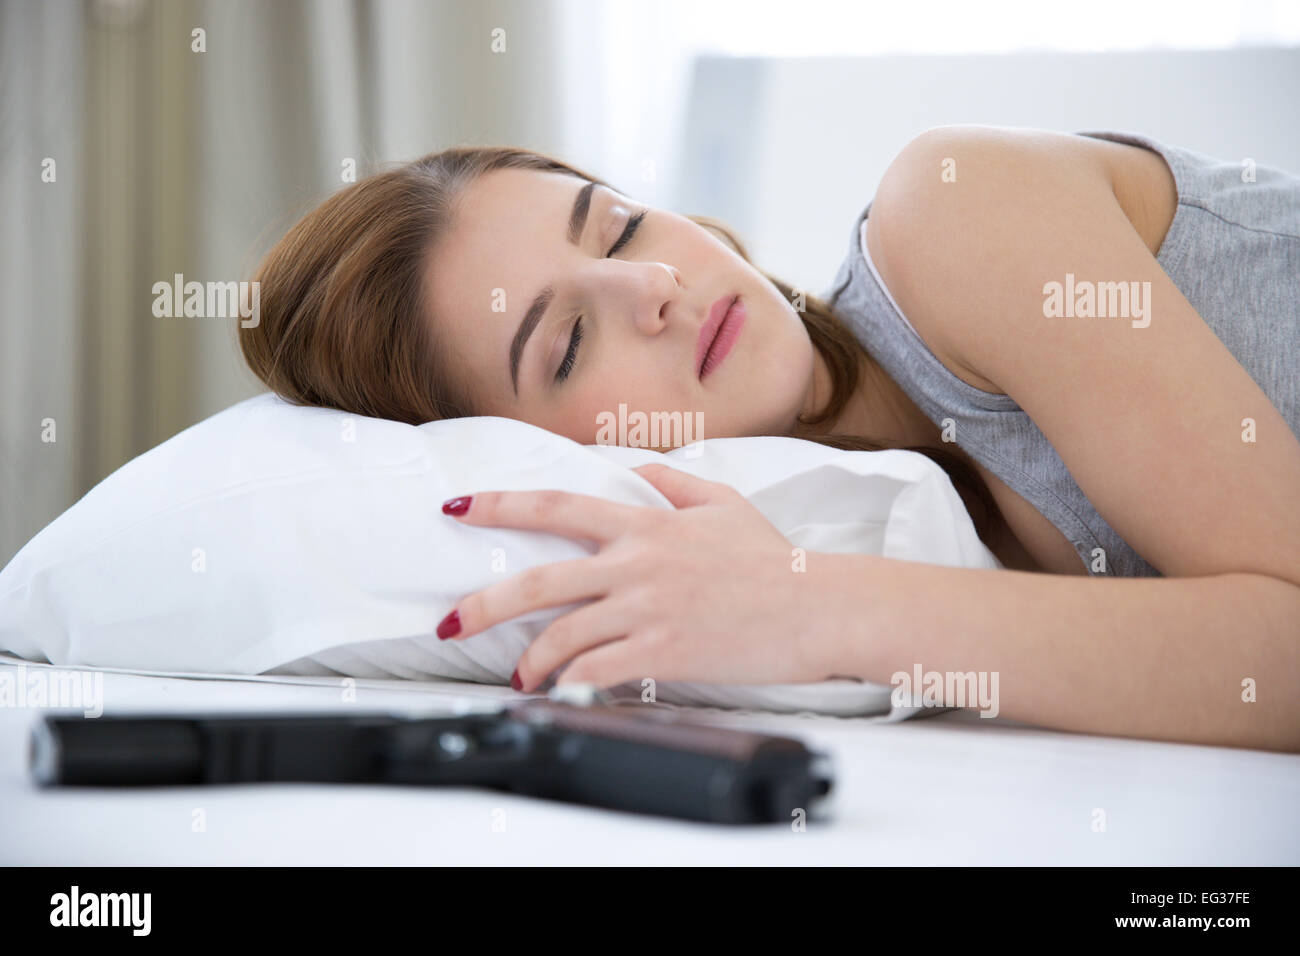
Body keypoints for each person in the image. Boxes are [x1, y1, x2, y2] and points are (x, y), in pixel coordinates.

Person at [239, 127, 1300, 752]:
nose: (651, 284)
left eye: (616, 225)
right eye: (564, 343)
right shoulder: (898, 506)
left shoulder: (952, 207)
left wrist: (814, 605)